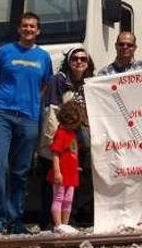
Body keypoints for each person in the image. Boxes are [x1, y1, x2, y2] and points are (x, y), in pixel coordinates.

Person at [0, 12, 54, 234]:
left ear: (38, 31)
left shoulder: (44, 57)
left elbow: (44, 86)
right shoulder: (4, 52)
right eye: (24, 25)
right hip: (2, 115)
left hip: (29, 118)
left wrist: (33, 106)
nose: (28, 29)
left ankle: (15, 220)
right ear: (19, 29)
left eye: (32, 26)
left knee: (20, 171)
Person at [38, 47, 95, 230]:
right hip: (61, 138)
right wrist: (52, 140)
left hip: (79, 140)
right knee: (53, 182)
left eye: (83, 59)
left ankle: (69, 219)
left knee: (74, 181)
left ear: (88, 63)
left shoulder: (89, 83)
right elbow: (51, 110)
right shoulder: (59, 80)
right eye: (75, 59)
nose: (79, 62)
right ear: (69, 61)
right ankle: (50, 222)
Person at [48, 100, 86, 234]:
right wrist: (57, 171)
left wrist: (76, 166)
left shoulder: (72, 134)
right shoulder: (61, 133)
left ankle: (65, 224)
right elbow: (55, 154)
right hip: (62, 173)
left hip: (71, 173)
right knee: (58, 197)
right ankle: (58, 225)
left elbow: (72, 153)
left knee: (68, 199)